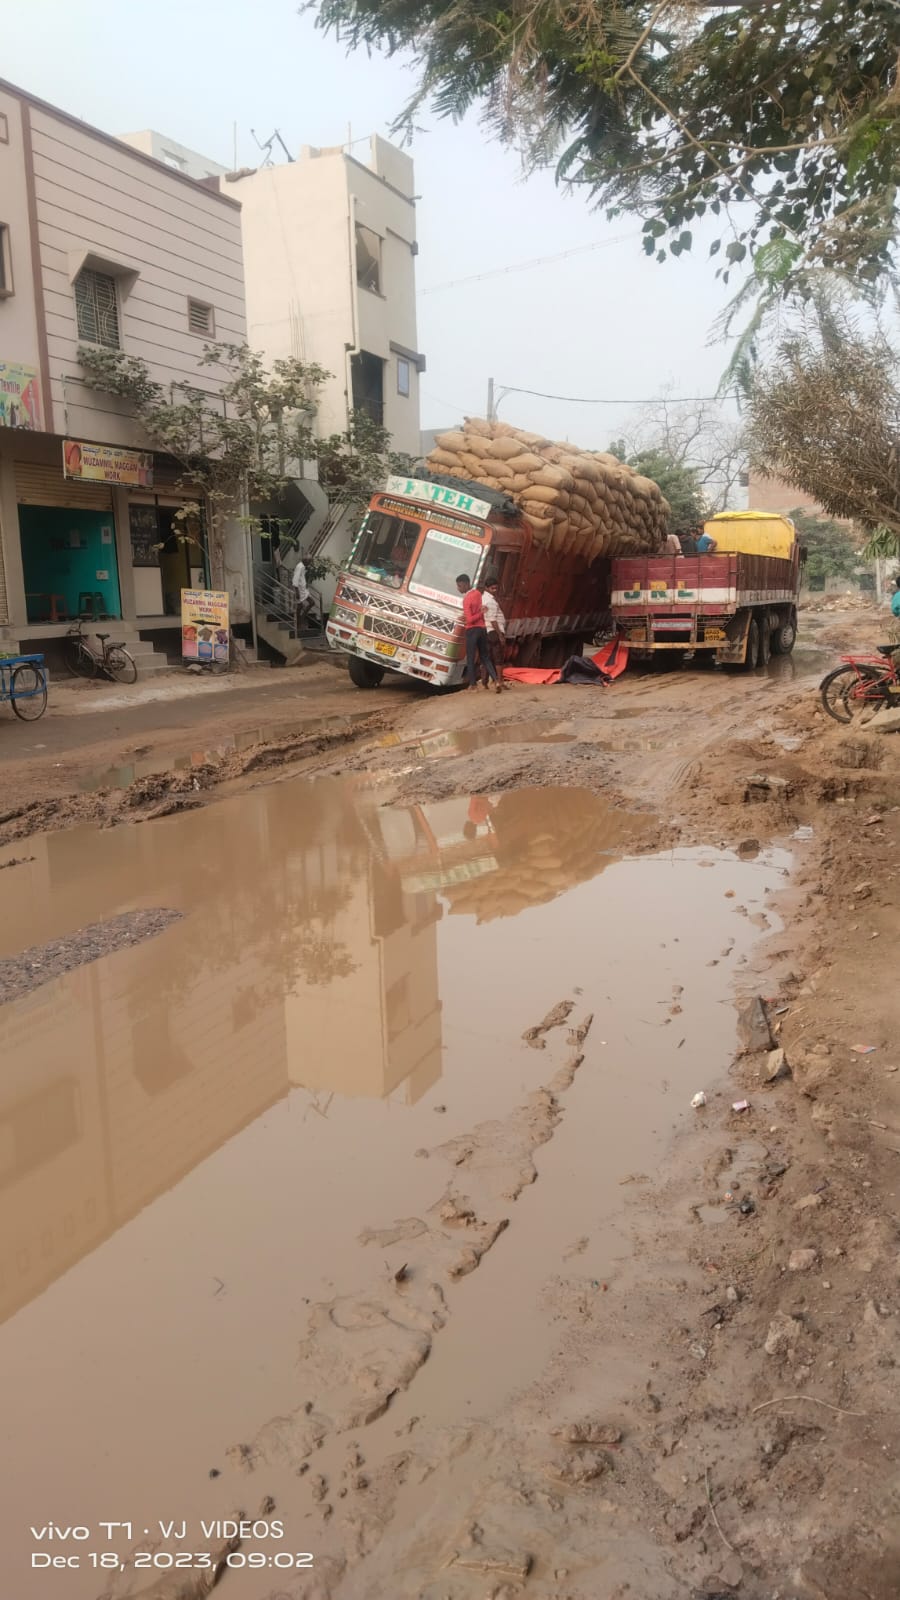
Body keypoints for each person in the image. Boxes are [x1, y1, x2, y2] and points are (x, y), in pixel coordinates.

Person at [456, 573, 501, 693]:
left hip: (472, 630)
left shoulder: (466, 600)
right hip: (482, 629)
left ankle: (473, 685)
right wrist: (469, 615)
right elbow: (477, 610)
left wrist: (477, 615)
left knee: (470, 658)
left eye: (460, 586)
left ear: (466, 584)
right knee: (485, 657)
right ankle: (496, 681)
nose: (458, 589)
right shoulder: (477, 593)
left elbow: (470, 619)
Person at [481, 577, 510, 689]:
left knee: (487, 657)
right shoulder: (490, 601)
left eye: (496, 586)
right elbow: (493, 620)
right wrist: (500, 635)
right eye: (492, 586)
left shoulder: (483, 598)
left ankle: (485, 683)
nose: (495, 588)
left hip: (487, 631)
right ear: (487, 588)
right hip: (493, 631)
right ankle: (499, 681)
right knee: (498, 657)